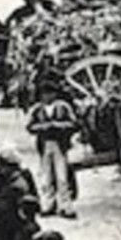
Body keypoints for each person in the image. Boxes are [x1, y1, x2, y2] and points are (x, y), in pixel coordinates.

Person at [28, 80, 80, 217]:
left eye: (49, 93)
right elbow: (29, 127)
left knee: (62, 177)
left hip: (60, 145)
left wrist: (57, 125)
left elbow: (74, 124)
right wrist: (43, 127)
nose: (47, 97)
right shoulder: (36, 109)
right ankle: (48, 204)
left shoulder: (63, 107)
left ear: (55, 94)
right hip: (45, 145)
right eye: (44, 94)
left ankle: (66, 206)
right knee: (46, 177)